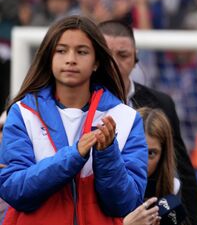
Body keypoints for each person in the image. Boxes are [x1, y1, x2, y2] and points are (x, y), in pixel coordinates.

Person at [0, 15, 147, 224]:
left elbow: (125, 203)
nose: (71, 59)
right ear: (49, 58)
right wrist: (74, 155)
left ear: (96, 62)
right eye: (61, 50)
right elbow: (13, 189)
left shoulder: (125, 117)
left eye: (82, 51)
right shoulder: (22, 112)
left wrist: (107, 155)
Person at [99, 20, 197, 225]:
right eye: (106, 55)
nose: (114, 62)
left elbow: (183, 168)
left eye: (123, 55)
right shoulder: (80, 104)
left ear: (135, 57)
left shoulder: (160, 103)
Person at [124, 107, 186, 225]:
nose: (142, 161)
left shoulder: (172, 185)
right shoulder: (104, 180)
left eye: (151, 153)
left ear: (163, 156)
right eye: (137, 149)